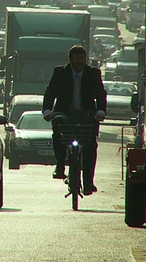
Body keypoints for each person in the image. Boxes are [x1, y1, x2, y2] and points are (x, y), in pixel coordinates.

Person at [42, 45, 107, 195]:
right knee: (58, 132)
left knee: (90, 146)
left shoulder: (93, 73)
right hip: (64, 114)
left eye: (82, 58)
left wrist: (101, 111)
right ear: (71, 59)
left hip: (87, 114)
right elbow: (50, 92)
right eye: (77, 58)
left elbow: (100, 93)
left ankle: (88, 182)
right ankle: (60, 166)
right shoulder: (60, 72)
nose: (80, 62)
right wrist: (47, 111)